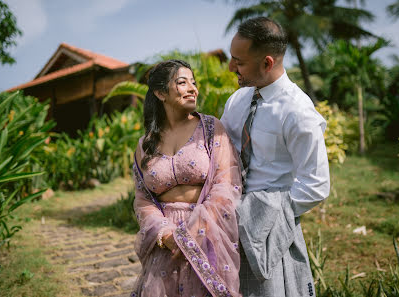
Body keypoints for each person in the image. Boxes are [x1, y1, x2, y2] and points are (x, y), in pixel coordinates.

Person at [221, 17, 330, 297]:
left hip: (270, 236)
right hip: (225, 227)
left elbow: (316, 184)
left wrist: (263, 216)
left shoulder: (298, 112)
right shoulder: (237, 101)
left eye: (239, 62)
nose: (232, 67)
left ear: (267, 63)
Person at [131, 59, 243, 297]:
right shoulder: (145, 145)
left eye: (194, 82)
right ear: (161, 93)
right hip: (165, 242)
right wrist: (166, 233)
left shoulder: (211, 128)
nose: (194, 88)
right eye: (183, 82)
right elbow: (143, 198)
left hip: (207, 232)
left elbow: (226, 183)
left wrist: (193, 232)